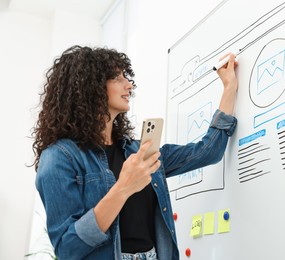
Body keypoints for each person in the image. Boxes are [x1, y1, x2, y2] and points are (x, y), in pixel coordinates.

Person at [32, 45, 238, 260]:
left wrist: (229, 86)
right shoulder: (58, 158)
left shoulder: (137, 152)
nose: (129, 85)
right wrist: (122, 188)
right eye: (117, 78)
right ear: (89, 87)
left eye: (126, 77)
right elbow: (67, 248)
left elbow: (208, 152)